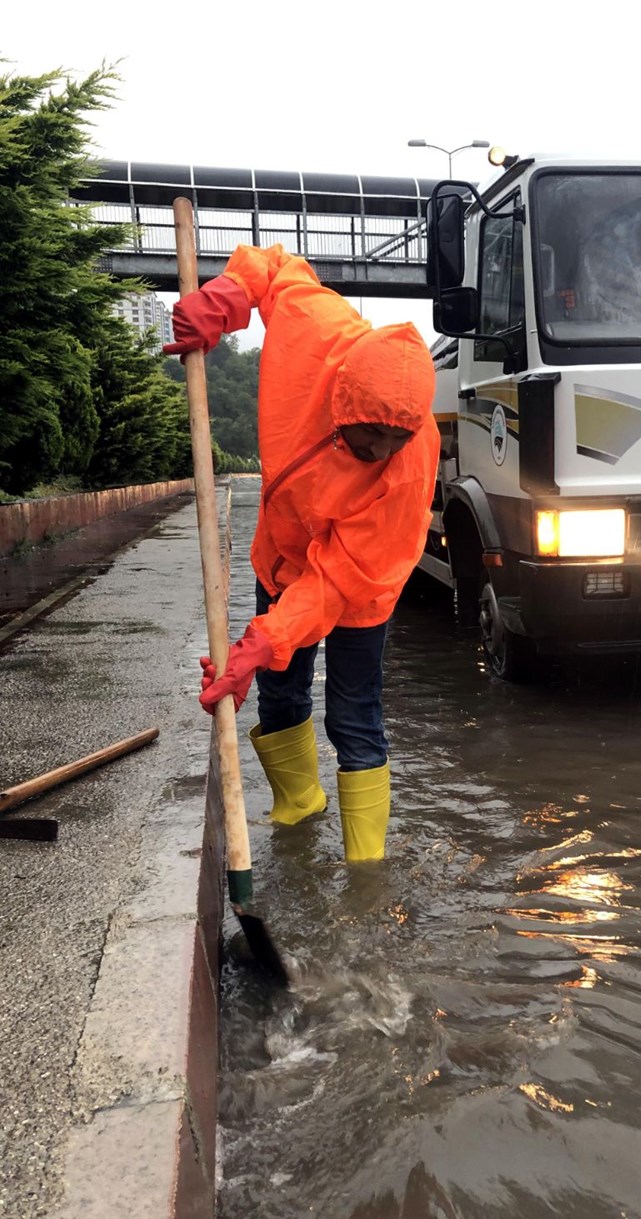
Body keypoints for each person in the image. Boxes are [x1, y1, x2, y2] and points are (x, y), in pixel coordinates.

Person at [165, 244, 438, 861]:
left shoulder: (407, 465)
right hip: (282, 557)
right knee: (282, 695)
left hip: (359, 588)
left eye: (398, 439)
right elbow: (273, 266)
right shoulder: (315, 332)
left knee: (352, 715)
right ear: (345, 402)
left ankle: (366, 868)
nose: (380, 452)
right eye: (372, 435)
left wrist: (258, 643)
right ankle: (298, 814)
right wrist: (227, 298)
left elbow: (338, 582)